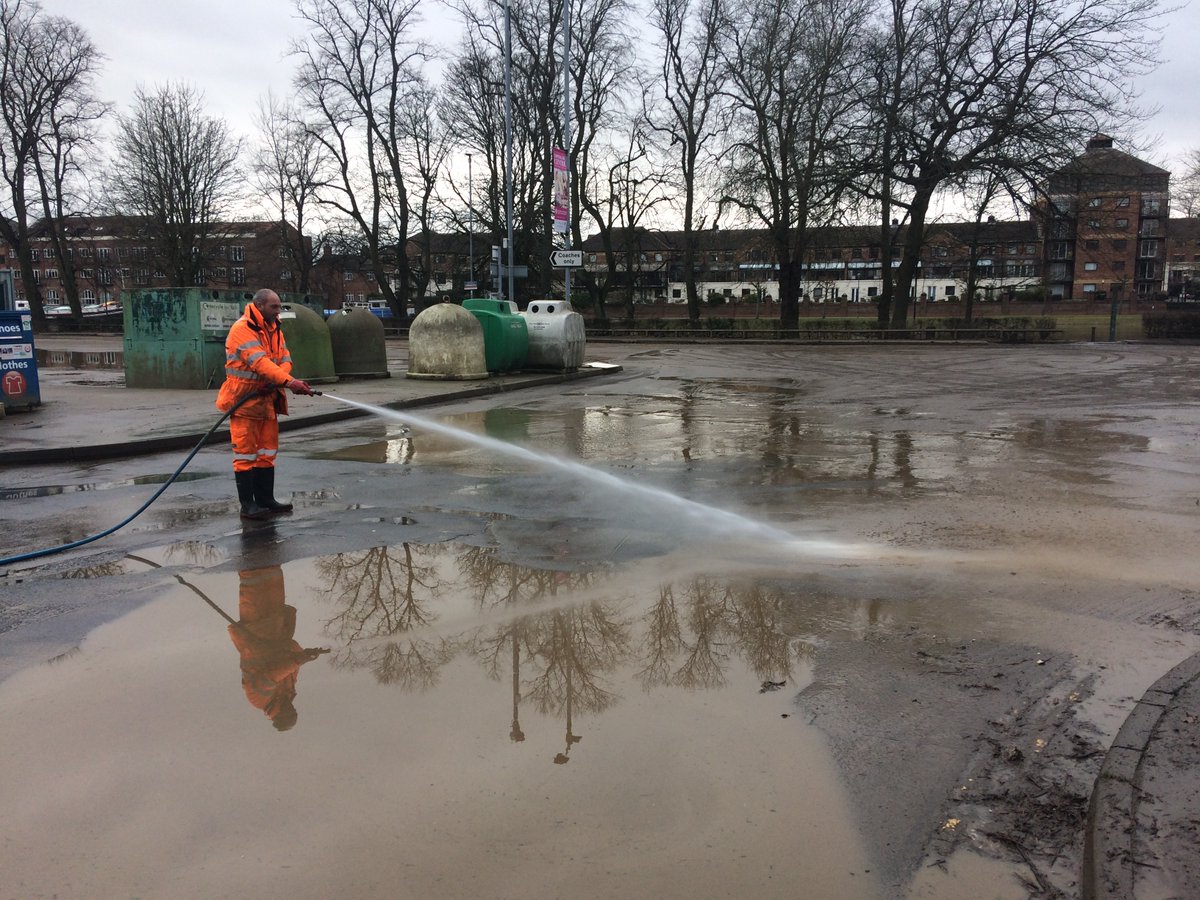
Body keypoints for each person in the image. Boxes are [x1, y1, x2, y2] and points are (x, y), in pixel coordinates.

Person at [216, 289, 314, 519]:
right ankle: (247, 505)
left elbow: (284, 359)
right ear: (259, 306)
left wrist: (281, 379)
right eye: (274, 307)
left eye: (279, 306)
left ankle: (265, 499)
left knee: (266, 452)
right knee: (245, 454)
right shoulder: (242, 329)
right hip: (244, 401)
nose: (278, 311)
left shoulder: (274, 328)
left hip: (266, 400)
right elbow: (259, 362)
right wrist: (289, 382)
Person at [228, 565, 328, 731]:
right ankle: (267, 552)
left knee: (253, 581)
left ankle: (250, 552)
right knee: (273, 578)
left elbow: (271, 675)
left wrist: (300, 659)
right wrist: (306, 654)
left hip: (255, 630)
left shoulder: (259, 700)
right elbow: (292, 654)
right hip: (275, 627)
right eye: (294, 711)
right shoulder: (288, 692)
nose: (293, 707)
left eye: (291, 712)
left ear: (280, 714)